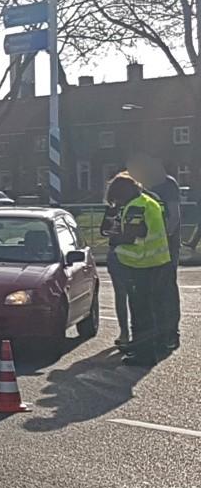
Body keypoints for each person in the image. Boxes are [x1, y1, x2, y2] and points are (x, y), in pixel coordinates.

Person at [105, 173, 173, 366]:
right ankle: (155, 346)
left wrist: (115, 239)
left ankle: (143, 353)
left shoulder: (136, 207)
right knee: (153, 308)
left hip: (142, 264)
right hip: (158, 261)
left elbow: (133, 234)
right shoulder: (147, 201)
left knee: (140, 311)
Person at [130, 154, 181, 351]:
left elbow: (174, 216)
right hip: (142, 251)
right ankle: (149, 337)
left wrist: (163, 237)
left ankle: (170, 333)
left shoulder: (167, 185)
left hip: (165, 248)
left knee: (166, 290)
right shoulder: (138, 185)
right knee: (145, 294)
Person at [100, 194, 132, 347]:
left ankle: (134, 332)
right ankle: (124, 332)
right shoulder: (112, 210)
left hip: (133, 255)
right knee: (121, 294)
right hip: (116, 254)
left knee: (133, 296)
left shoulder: (135, 208)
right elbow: (103, 230)